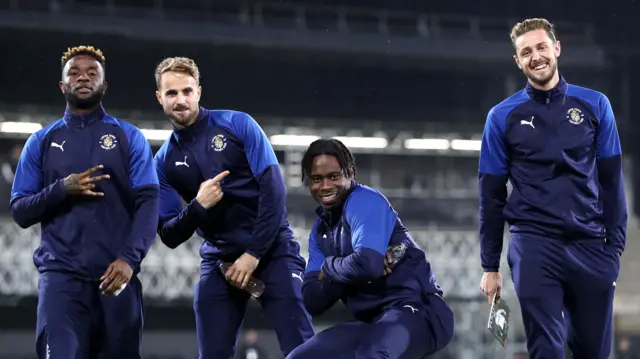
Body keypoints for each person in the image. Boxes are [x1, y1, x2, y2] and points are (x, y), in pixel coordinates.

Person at [478, 18, 626, 359]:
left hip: (591, 246)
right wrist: (490, 265)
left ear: (556, 49)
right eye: (526, 52)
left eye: (541, 47)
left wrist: (614, 248)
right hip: (534, 244)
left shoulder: (595, 104)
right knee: (547, 348)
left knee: (593, 352)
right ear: (518, 61)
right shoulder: (502, 117)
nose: (536, 56)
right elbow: (491, 194)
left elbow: (612, 180)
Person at [152, 57, 314, 358]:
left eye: (187, 91)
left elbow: (274, 190)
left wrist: (253, 254)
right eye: (172, 93)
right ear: (160, 98)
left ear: (199, 92)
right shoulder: (162, 163)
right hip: (219, 262)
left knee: (302, 348)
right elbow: (169, 234)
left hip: (272, 250)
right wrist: (197, 206)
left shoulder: (237, 124)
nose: (181, 100)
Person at [10, 45, 159, 359]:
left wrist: (129, 260)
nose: (83, 78)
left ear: (104, 85)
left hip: (117, 278)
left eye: (93, 73)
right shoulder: (41, 142)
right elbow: (20, 210)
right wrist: (62, 188)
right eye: (74, 73)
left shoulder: (129, 137)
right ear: (62, 86)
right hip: (62, 281)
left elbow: (148, 202)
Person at [286, 138, 454, 359]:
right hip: (373, 323)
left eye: (333, 177)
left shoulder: (364, 201)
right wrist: (348, 267)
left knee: (373, 353)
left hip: (418, 312)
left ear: (351, 173)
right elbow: (311, 299)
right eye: (317, 179)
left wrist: (328, 268)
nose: (325, 186)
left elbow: (367, 265)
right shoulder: (320, 233)